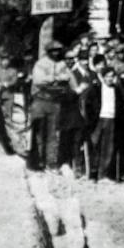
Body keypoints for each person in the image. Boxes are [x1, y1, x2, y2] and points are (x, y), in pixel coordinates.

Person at [30, 40, 71, 171]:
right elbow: (38, 81)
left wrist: (55, 79)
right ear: (48, 52)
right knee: (40, 133)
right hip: (41, 101)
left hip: (55, 101)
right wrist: (54, 79)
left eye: (58, 50)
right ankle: (38, 162)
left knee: (53, 134)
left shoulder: (62, 64)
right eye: (53, 50)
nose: (56, 52)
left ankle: (50, 163)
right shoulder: (40, 64)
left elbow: (67, 77)